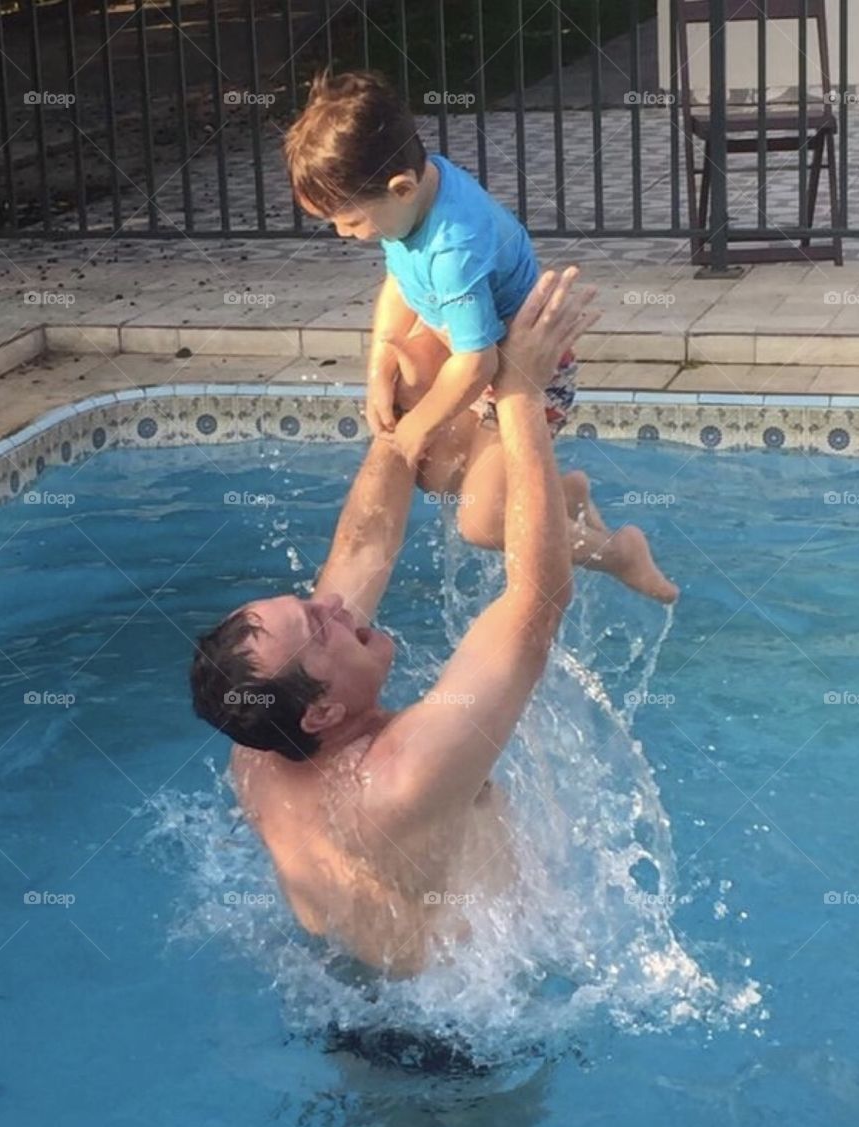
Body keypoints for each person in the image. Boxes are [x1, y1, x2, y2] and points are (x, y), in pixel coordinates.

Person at [190, 270, 604, 978]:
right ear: (320, 710)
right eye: (318, 626)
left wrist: (401, 423)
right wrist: (523, 397)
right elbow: (537, 603)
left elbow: (363, 548)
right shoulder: (400, 777)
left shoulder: (257, 744)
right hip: (460, 1052)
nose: (333, 605)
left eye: (308, 602)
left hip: (355, 996)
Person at [283, 69, 678, 604]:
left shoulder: (455, 245)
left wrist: (414, 429)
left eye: (349, 220)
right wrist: (379, 366)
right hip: (473, 350)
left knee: (483, 523)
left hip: (524, 369)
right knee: (439, 476)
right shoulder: (414, 200)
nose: (343, 233)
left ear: (399, 187)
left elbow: (478, 365)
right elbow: (400, 282)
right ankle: (565, 496)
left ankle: (619, 554)